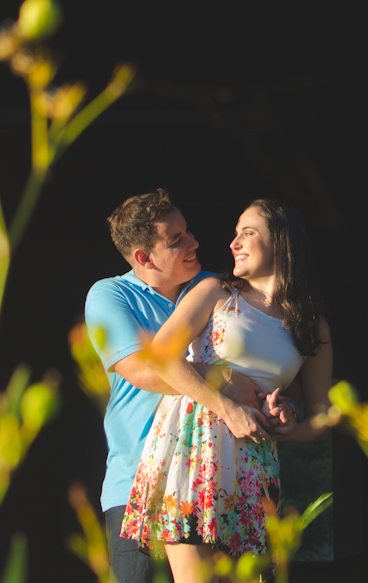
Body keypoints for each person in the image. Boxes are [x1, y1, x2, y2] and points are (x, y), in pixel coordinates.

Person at [120, 199, 333, 583]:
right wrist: (227, 407)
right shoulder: (216, 291)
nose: (234, 242)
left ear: (282, 242)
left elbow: (321, 419)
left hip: (254, 462)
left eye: (247, 233)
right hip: (192, 448)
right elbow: (162, 355)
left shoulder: (312, 325)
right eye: (235, 233)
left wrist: (288, 424)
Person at [85, 189, 267, 583]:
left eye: (188, 231)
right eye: (176, 239)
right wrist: (226, 384)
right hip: (137, 486)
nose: (194, 242)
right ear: (143, 258)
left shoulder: (217, 287)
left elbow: (260, 359)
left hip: (214, 483)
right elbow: (143, 370)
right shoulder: (110, 295)